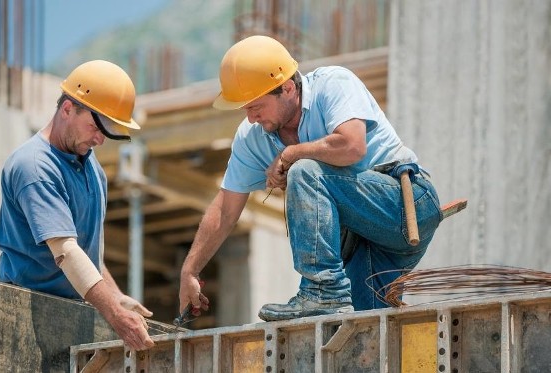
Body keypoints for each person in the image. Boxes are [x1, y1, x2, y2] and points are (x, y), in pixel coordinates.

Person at [179, 35, 442, 322]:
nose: (251, 118)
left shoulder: (333, 84)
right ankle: (330, 298)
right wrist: (190, 270)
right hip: (364, 242)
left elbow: (353, 146)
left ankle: (322, 292)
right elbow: (225, 209)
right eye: (245, 110)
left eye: (256, 107)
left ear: (288, 88)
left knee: (304, 171)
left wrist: (292, 153)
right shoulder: (252, 137)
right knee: (364, 333)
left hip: (405, 205)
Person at [0, 60, 155, 350]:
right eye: (95, 127)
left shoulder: (93, 169)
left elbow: (84, 252)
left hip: (69, 315)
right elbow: (66, 251)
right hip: (26, 316)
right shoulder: (35, 167)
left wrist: (116, 296)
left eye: (106, 132)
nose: (99, 139)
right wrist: (115, 315)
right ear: (67, 109)